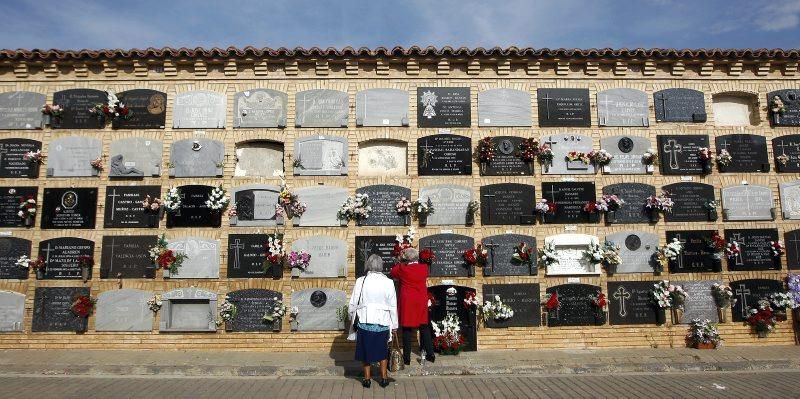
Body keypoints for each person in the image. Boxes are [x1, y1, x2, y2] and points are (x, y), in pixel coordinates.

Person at [348, 254, 398, 388]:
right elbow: (393, 305)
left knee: (365, 351)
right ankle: (384, 377)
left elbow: (353, 302)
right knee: (382, 350)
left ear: (368, 265)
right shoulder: (388, 282)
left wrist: (351, 316)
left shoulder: (361, 281)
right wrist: (394, 325)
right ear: (381, 265)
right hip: (382, 321)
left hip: (365, 319)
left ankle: (367, 379)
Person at [390, 247, 435, 365]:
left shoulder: (402, 268)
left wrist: (400, 261)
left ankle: (407, 358)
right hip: (420, 299)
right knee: (424, 327)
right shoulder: (424, 268)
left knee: (407, 329)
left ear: (406, 258)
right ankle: (431, 354)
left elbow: (392, 272)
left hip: (408, 300)